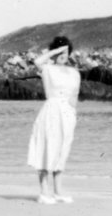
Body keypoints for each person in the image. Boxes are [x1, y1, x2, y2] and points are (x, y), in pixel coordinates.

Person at [27, 36, 81, 204]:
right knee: (46, 148)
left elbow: (74, 96)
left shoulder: (74, 72)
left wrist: (73, 115)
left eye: (66, 51)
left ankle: (58, 191)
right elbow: (37, 61)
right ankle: (44, 192)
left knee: (61, 151)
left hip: (67, 114)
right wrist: (56, 51)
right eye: (60, 51)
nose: (63, 55)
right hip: (51, 111)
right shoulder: (48, 69)